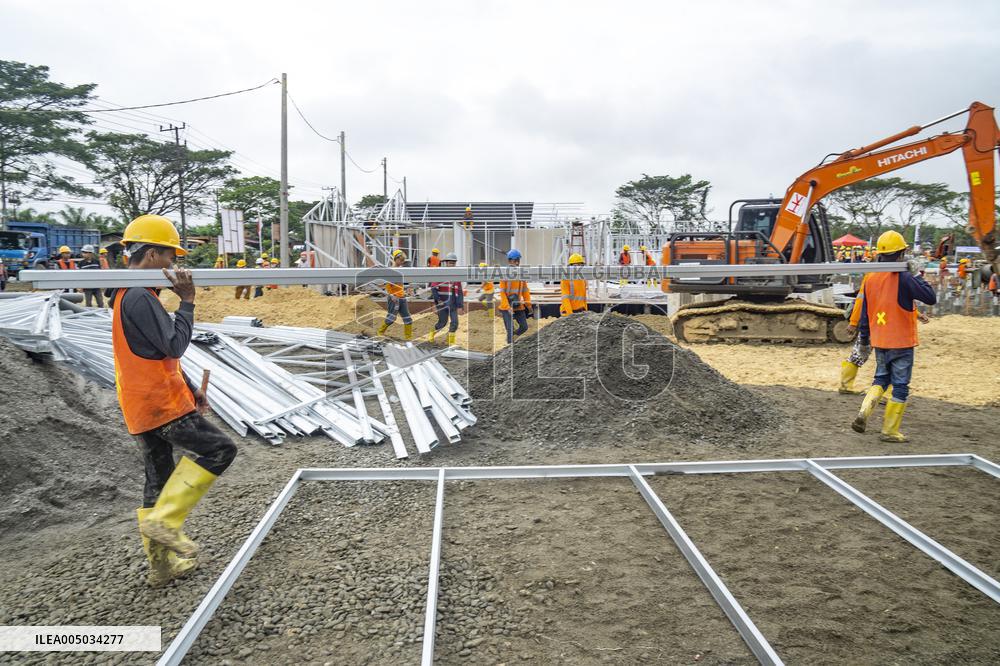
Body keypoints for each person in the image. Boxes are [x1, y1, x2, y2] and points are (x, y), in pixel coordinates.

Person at [114, 214, 237, 588]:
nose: (173, 266)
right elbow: (174, 343)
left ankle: (162, 567)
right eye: (169, 256)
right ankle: (166, 522)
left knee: (158, 479)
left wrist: (188, 386)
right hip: (160, 404)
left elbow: (154, 353)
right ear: (151, 254)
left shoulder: (125, 295)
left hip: (141, 404)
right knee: (220, 450)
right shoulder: (140, 295)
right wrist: (187, 302)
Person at [851, 230, 937, 443]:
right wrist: (917, 274)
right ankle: (889, 431)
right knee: (900, 385)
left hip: (880, 340)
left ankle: (864, 412)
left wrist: (863, 339)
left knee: (880, 378)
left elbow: (865, 314)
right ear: (901, 253)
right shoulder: (904, 277)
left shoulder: (870, 278)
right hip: (901, 341)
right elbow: (930, 297)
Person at [377, 249, 414, 340]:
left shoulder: (400, 270)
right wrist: (391, 295)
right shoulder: (390, 271)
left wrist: (408, 288)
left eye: (403, 261)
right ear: (395, 259)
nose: (402, 262)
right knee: (391, 318)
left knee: (408, 319)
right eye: (401, 260)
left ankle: (408, 338)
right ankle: (380, 332)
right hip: (394, 298)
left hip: (401, 297)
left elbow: (402, 283)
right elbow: (386, 285)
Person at [498, 249, 531, 343]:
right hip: (506, 307)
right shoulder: (504, 274)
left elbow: (525, 291)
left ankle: (514, 337)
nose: (517, 262)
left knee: (524, 327)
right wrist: (508, 307)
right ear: (509, 261)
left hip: (518, 305)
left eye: (518, 260)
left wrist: (528, 305)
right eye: (515, 260)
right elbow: (502, 293)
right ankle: (509, 345)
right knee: (510, 329)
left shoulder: (521, 273)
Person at [429, 252, 463, 345]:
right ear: (446, 263)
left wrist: (460, 306)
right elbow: (433, 288)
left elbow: (459, 291)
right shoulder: (440, 274)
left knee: (455, 323)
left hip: (453, 304)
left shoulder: (456, 276)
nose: (452, 264)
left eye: (453, 263)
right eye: (450, 263)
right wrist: (437, 301)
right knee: (442, 323)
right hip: (442, 303)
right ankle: (431, 334)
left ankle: (450, 342)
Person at [77, 244, 105, 308]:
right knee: (88, 304)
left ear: (90, 253)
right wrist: (79, 286)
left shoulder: (96, 262)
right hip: (87, 287)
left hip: (96, 286)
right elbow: (79, 276)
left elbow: (100, 274)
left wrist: (102, 284)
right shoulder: (81, 263)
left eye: (85, 252)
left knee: (100, 302)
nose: (83, 254)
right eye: (83, 252)